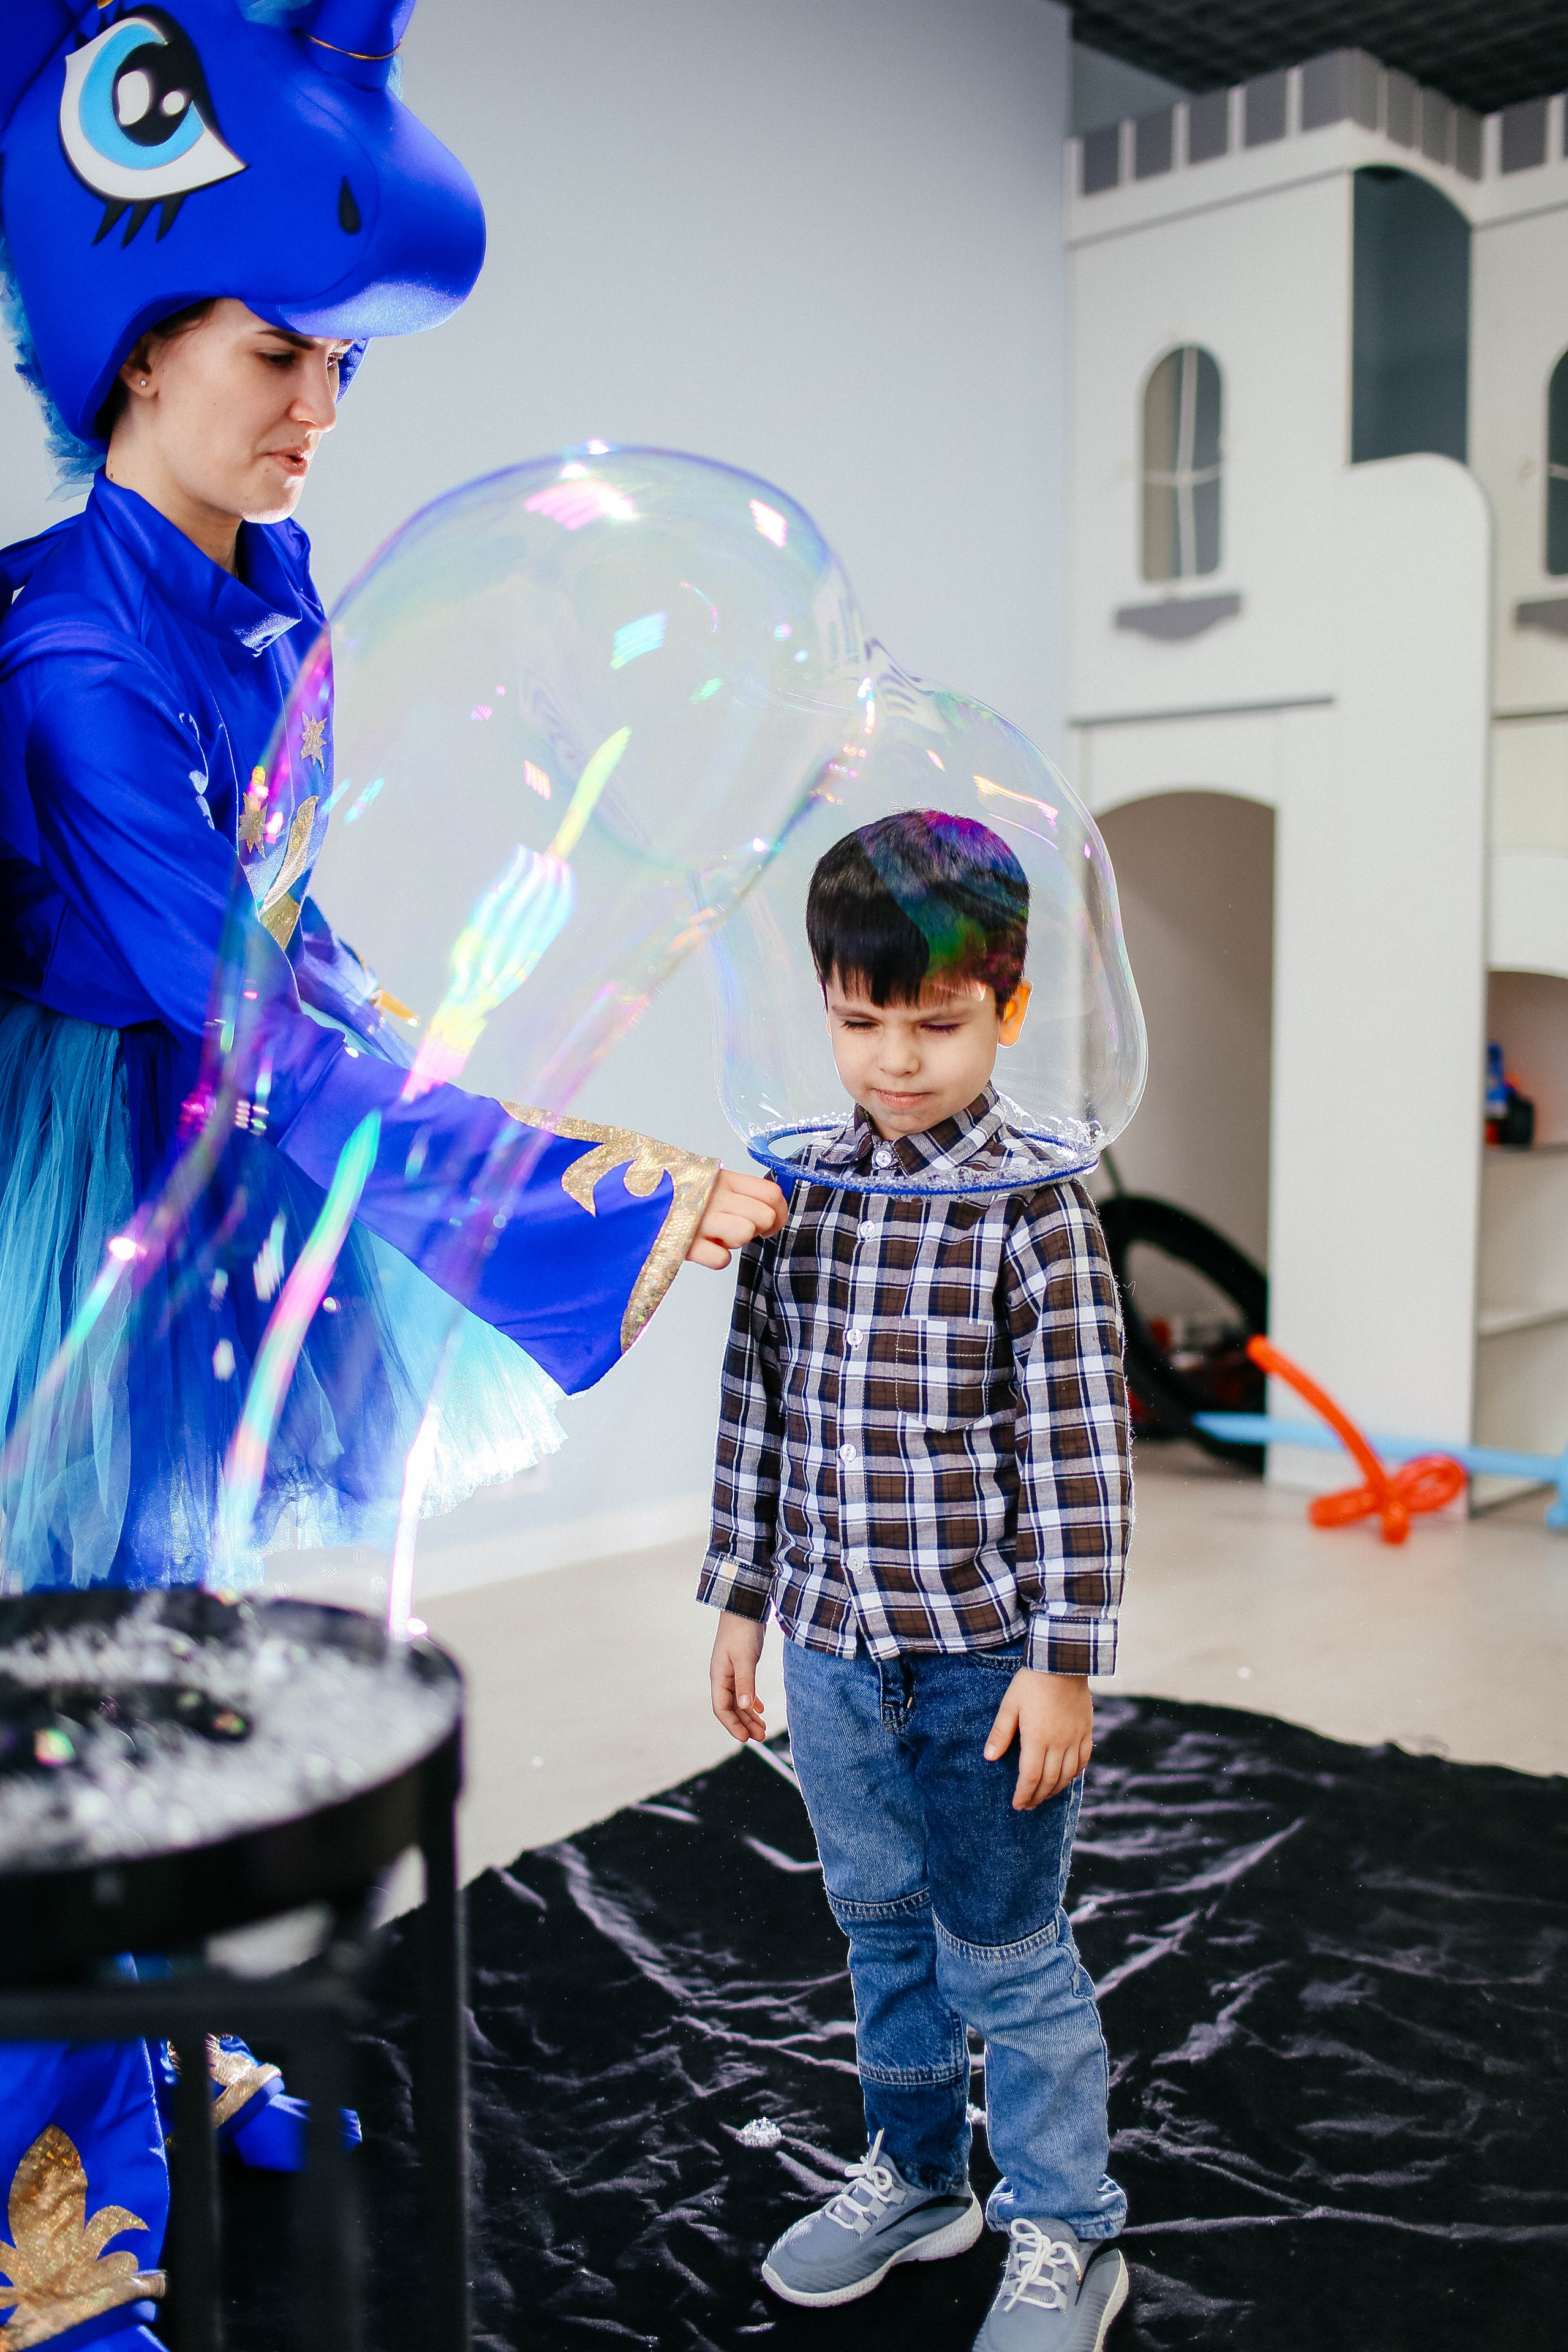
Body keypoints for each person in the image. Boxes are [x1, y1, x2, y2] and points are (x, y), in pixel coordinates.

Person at [0, 9, 781, 2345]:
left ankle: (138, 2046)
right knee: (70, 1684)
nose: (323, 411)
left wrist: (490, 1112)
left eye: (341, 364)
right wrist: (575, 1202)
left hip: (223, 1138)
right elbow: (238, 1012)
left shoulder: (275, 584)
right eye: (282, 356)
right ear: (140, 343)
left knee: (196, 1613)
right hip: (88, 1170)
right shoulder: (66, 655)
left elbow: (301, 944)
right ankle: (46, 2196)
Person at [699, 810, 1131, 2350]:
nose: (893, 1058)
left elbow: (1081, 1457)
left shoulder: (1036, 1212)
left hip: (977, 1665)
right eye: (859, 1019)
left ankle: (1064, 2227)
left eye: (935, 1025)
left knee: (1003, 1952)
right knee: (876, 1928)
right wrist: (743, 1595)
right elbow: (759, 1407)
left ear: (1005, 1011)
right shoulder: (797, 1196)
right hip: (825, 1645)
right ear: (823, 1001)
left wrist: (1062, 1658)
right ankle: (917, 2172)